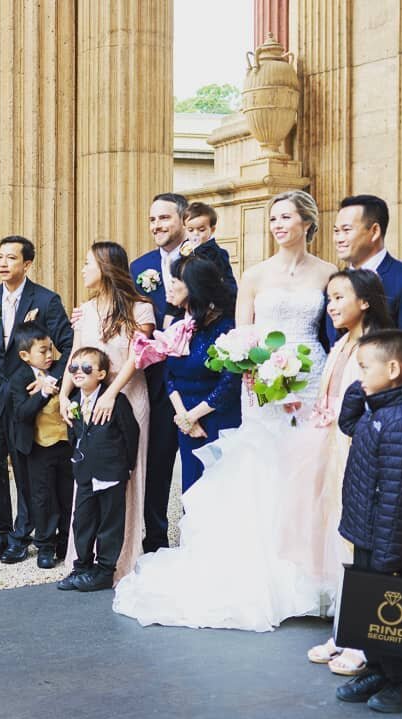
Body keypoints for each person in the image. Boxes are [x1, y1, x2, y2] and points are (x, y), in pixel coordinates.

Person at [113, 189, 338, 631]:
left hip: (312, 379)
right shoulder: (254, 276)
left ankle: (316, 573)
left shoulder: (329, 274)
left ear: (308, 223)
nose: (277, 224)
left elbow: (331, 330)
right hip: (263, 385)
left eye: (286, 217)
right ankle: (269, 573)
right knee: (265, 468)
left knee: (309, 472)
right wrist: (254, 371)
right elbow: (240, 339)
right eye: (273, 217)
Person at [334, 330, 402, 714]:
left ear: (393, 369)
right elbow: (348, 423)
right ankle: (378, 668)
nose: (358, 375)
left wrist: (391, 555)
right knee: (367, 608)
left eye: (364, 367)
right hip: (367, 530)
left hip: (386, 540)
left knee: (389, 614)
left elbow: (400, 496)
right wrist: (362, 389)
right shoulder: (380, 409)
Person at [129, 193, 234, 553]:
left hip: (201, 379)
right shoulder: (139, 266)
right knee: (157, 465)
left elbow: (228, 300)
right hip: (159, 382)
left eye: (164, 218)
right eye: (152, 219)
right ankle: (156, 539)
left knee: (203, 466)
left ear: (182, 220)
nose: (157, 225)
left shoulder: (209, 258)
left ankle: (202, 538)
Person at [303, 270, 394, 676]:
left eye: (340, 296)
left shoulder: (376, 348)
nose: (332, 305)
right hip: (331, 450)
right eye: (329, 298)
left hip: (359, 453)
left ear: (366, 300)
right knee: (336, 538)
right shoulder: (341, 343)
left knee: (357, 543)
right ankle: (345, 628)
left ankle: (362, 638)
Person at [0, 236, 73, 563]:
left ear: (26, 264)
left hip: (28, 401)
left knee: (26, 472)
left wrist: (50, 381)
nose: (3, 263)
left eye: (11, 258)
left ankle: (22, 535)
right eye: (0, 257)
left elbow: (67, 345)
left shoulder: (47, 300)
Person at [59, 241, 154, 583]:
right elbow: (75, 354)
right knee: (88, 476)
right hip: (89, 397)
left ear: (105, 266)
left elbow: (136, 356)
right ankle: (84, 558)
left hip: (127, 396)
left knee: (125, 478)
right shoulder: (83, 310)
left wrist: (111, 393)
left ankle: (121, 559)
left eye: (88, 263)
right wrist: (63, 394)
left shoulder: (140, 309)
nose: (83, 270)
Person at [135, 253, 240, 493]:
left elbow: (229, 384)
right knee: (191, 489)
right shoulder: (177, 326)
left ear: (194, 286)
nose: (169, 286)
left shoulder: (225, 327)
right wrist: (183, 416)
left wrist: (194, 416)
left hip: (217, 418)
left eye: (175, 281)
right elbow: (169, 374)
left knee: (217, 491)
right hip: (185, 420)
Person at [56, 347, 140, 592]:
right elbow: (74, 434)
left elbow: (130, 433)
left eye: (86, 368)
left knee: (109, 524)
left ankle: (104, 570)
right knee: (81, 522)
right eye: (74, 368)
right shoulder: (72, 402)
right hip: (84, 472)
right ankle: (81, 566)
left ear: (101, 374)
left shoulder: (116, 401)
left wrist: (126, 467)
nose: (78, 372)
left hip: (111, 473)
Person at [328, 194, 402, 345]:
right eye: (336, 231)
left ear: (375, 231)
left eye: (346, 230)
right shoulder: (334, 283)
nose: (338, 239)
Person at [8, 322, 72, 568]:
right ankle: (45, 545)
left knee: (67, 494)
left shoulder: (59, 370)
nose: (49, 355)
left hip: (65, 444)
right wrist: (43, 393)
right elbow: (22, 413)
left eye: (50, 349)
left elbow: (69, 356)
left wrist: (51, 380)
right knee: (43, 497)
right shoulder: (19, 379)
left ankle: (66, 542)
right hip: (37, 448)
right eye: (42, 351)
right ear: (25, 356)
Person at [181, 201, 238, 295]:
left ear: (212, 230)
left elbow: (228, 282)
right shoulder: (183, 249)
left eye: (201, 230)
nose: (195, 234)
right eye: (190, 230)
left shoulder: (218, 253)